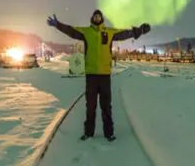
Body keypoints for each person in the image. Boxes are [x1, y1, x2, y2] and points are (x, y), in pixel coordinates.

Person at [47, 9, 151, 141]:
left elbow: (125, 33)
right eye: (95, 16)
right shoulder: (86, 32)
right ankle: (88, 133)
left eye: (99, 16)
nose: (97, 18)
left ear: (102, 19)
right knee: (90, 106)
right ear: (92, 18)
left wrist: (139, 31)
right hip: (91, 75)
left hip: (104, 76)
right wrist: (58, 25)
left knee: (106, 106)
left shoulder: (109, 32)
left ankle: (109, 133)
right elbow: (71, 31)